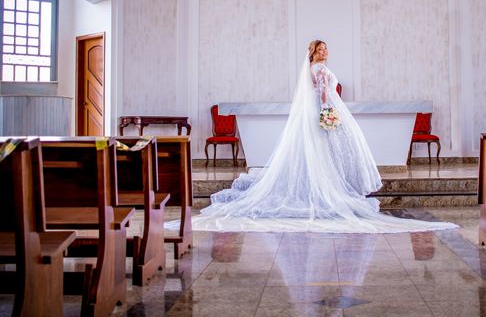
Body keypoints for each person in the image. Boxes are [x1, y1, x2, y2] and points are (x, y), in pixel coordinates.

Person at [169, 40, 456, 233]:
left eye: (326, 49)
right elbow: (321, 94)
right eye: (320, 49)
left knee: (324, 157)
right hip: (326, 112)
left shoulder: (315, 68)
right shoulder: (317, 69)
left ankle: (330, 186)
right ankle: (329, 191)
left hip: (326, 111)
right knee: (326, 155)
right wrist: (328, 113)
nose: (325, 52)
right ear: (314, 53)